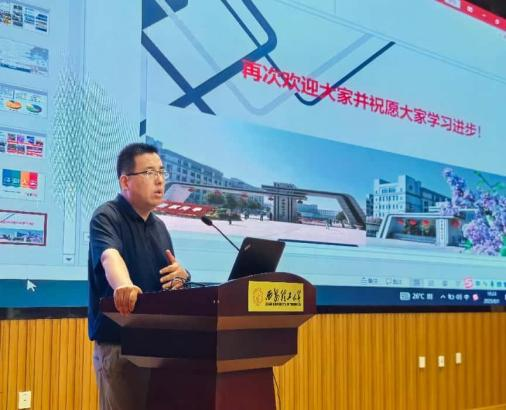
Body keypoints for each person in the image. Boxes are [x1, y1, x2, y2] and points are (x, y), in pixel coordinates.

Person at [88, 143, 189, 410]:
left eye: (162, 172)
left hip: (158, 349)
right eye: (149, 172)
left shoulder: (160, 227)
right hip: (120, 348)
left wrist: (181, 277)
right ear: (125, 181)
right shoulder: (107, 216)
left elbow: (169, 281)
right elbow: (110, 256)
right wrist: (124, 285)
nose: (160, 180)